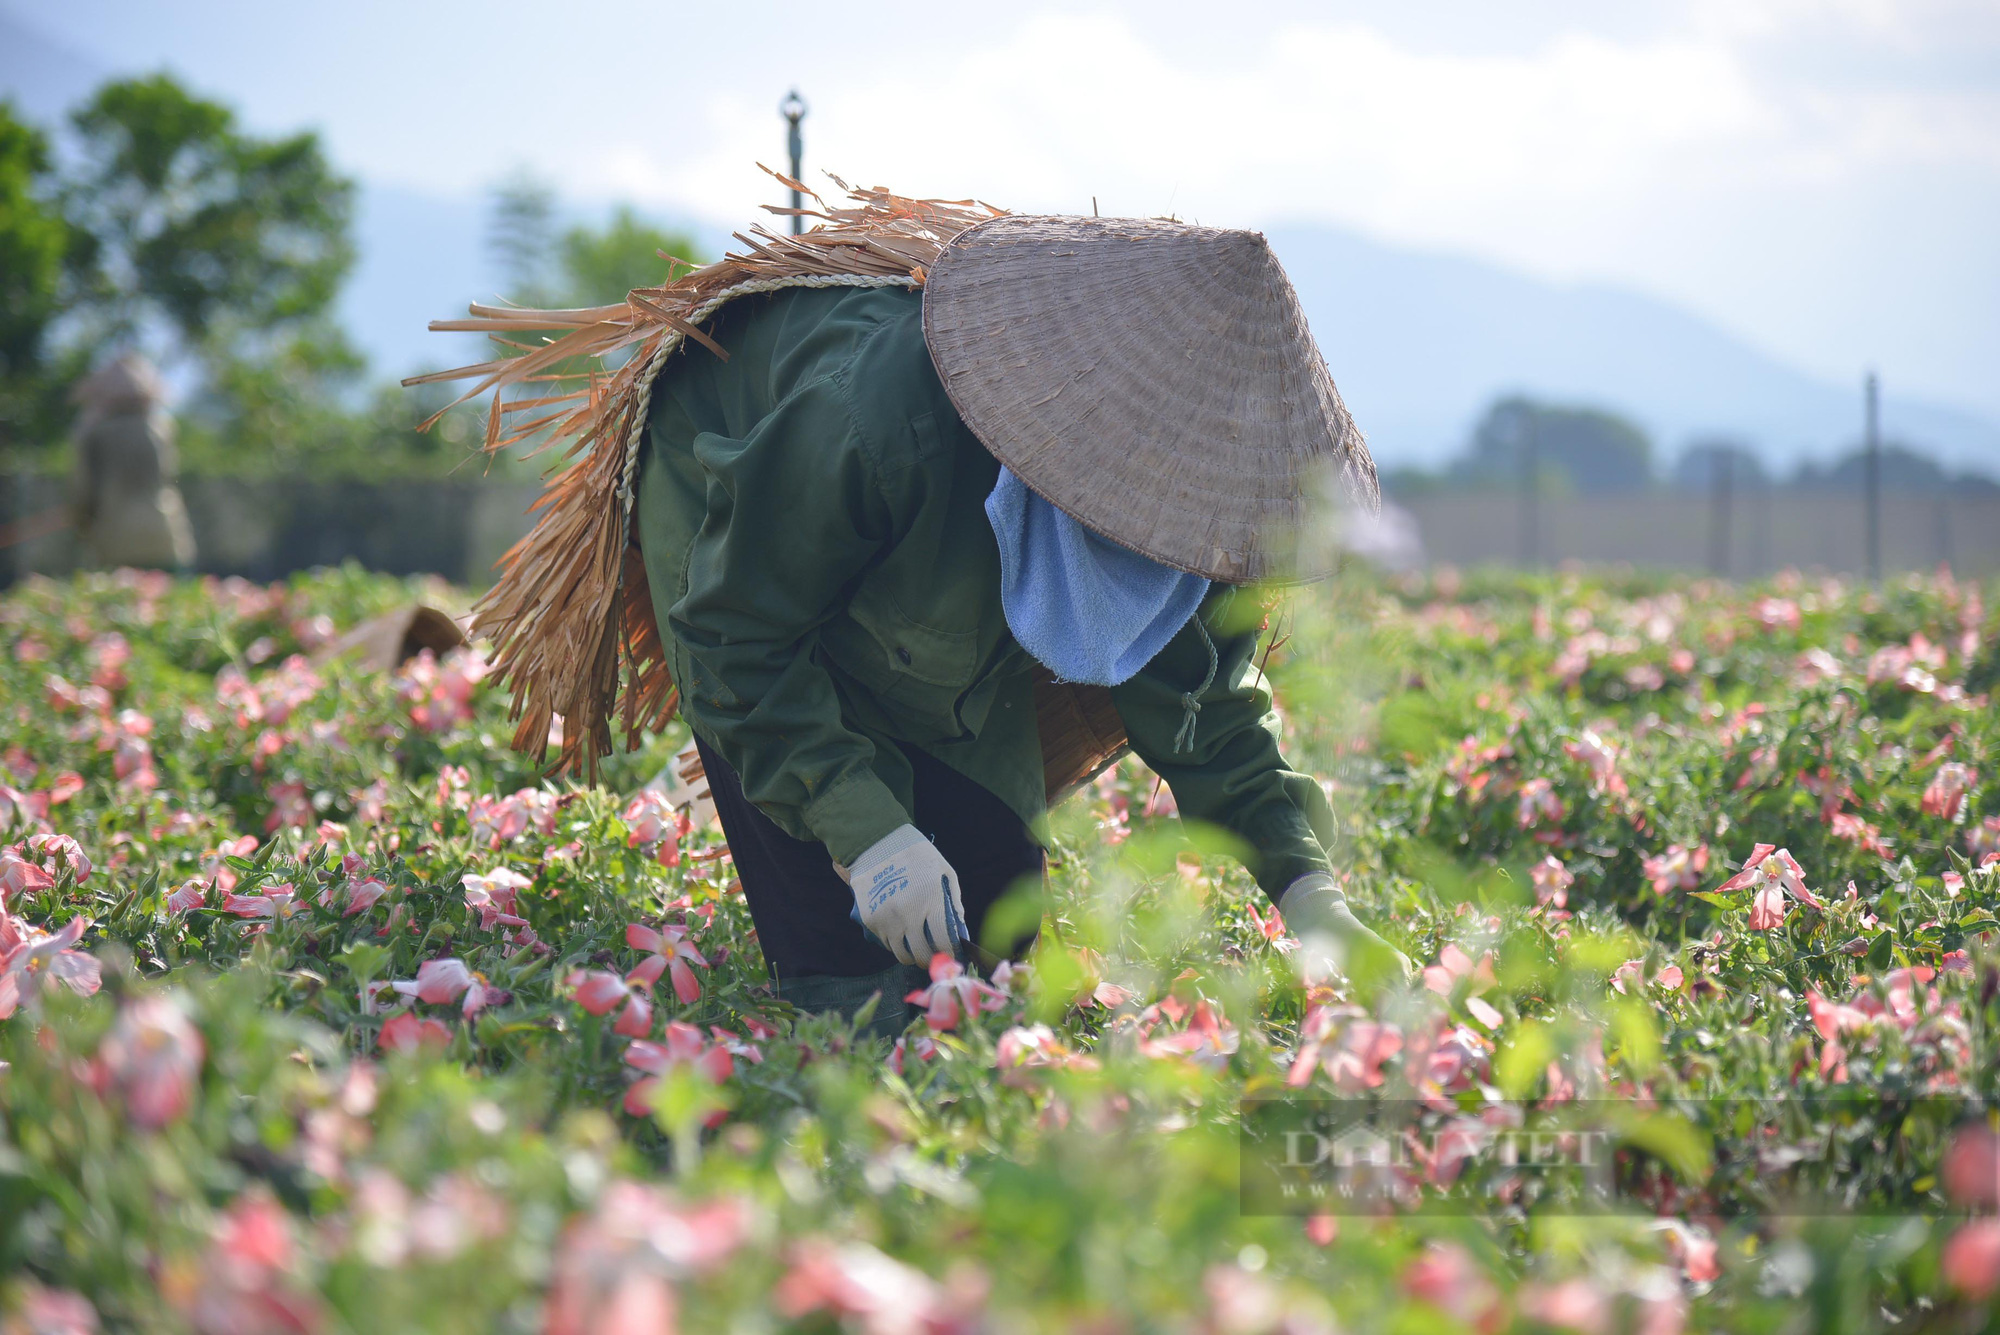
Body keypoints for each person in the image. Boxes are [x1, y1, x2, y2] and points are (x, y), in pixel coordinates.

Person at [629, 214, 1407, 1033]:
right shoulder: (877, 415)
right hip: (742, 530)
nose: (1159, 521)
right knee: (855, 989)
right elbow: (736, 640)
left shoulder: (1193, 516)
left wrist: (1310, 891)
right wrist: (870, 836)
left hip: (935, 637)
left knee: (994, 936)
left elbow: (1206, 709)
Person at [70, 354, 197, 572]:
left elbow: (84, 491)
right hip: (164, 535)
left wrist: (81, 522)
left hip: (114, 540)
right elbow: (169, 475)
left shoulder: (92, 433)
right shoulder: (161, 429)